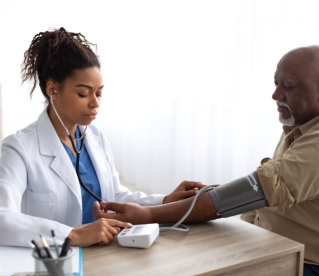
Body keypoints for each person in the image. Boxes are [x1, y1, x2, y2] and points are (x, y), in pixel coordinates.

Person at [94, 45, 319, 274]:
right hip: (274, 243)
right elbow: (262, 198)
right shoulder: (300, 125)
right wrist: (218, 201)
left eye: (288, 86)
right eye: (276, 84)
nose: (275, 95)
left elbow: (256, 190)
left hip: (308, 263)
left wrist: (149, 214)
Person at [0, 27, 204, 248]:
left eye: (99, 93)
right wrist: (72, 235)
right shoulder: (18, 148)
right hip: (60, 261)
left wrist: (164, 201)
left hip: (108, 254)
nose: (95, 103)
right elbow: (2, 218)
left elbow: (114, 195)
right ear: (52, 90)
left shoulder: (95, 137)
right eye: (84, 93)